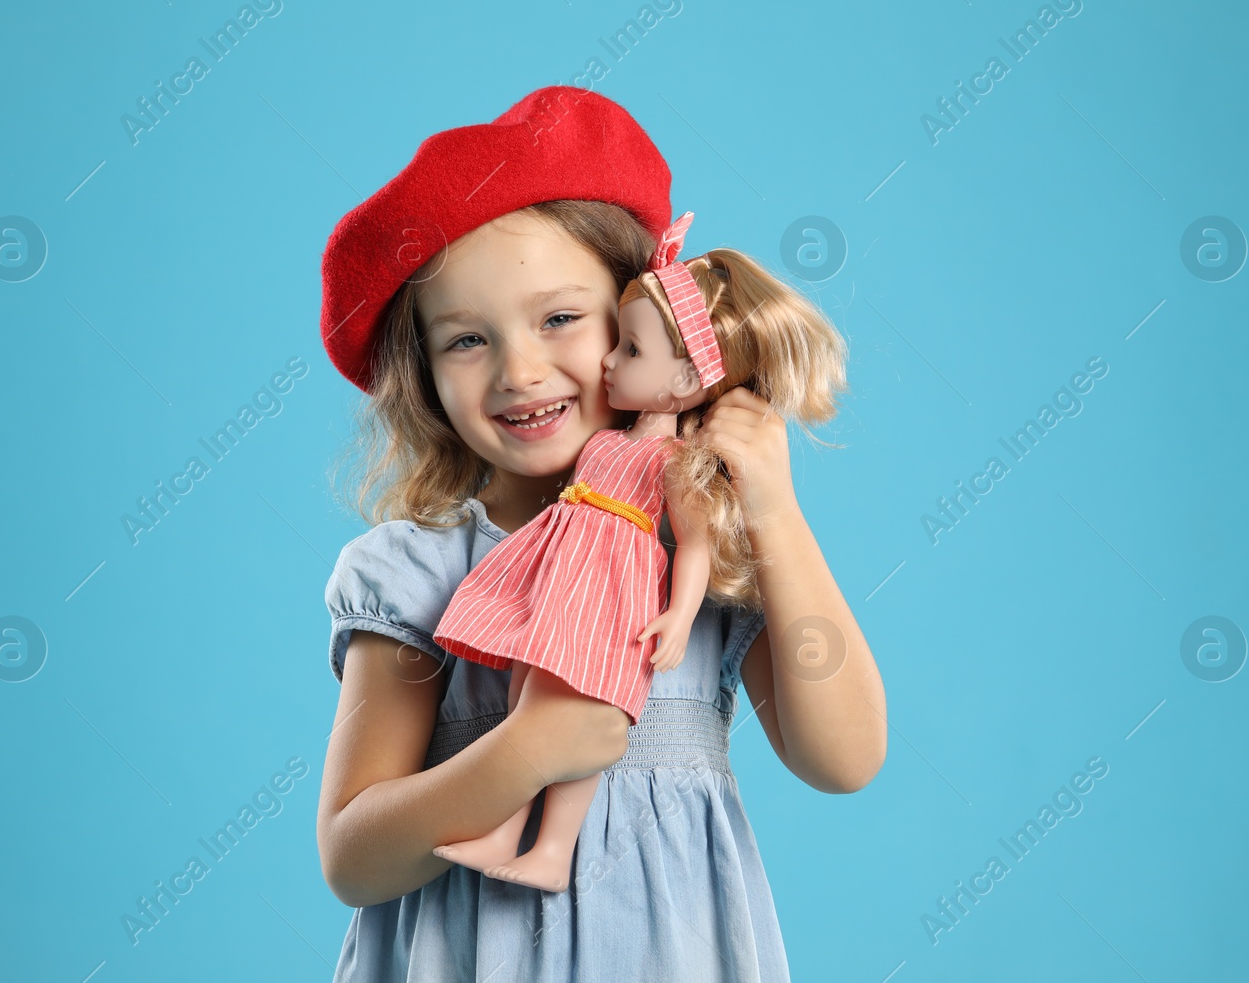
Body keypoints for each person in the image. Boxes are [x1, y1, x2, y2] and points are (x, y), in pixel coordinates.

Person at [315, 85, 888, 981]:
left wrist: (774, 511)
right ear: (421, 374)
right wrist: (524, 752)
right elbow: (353, 857)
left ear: (644, 322)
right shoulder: (414, 570)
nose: (520, 369)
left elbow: (845, 756)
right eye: (466, 340)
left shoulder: (710, 548)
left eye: (559, 318)